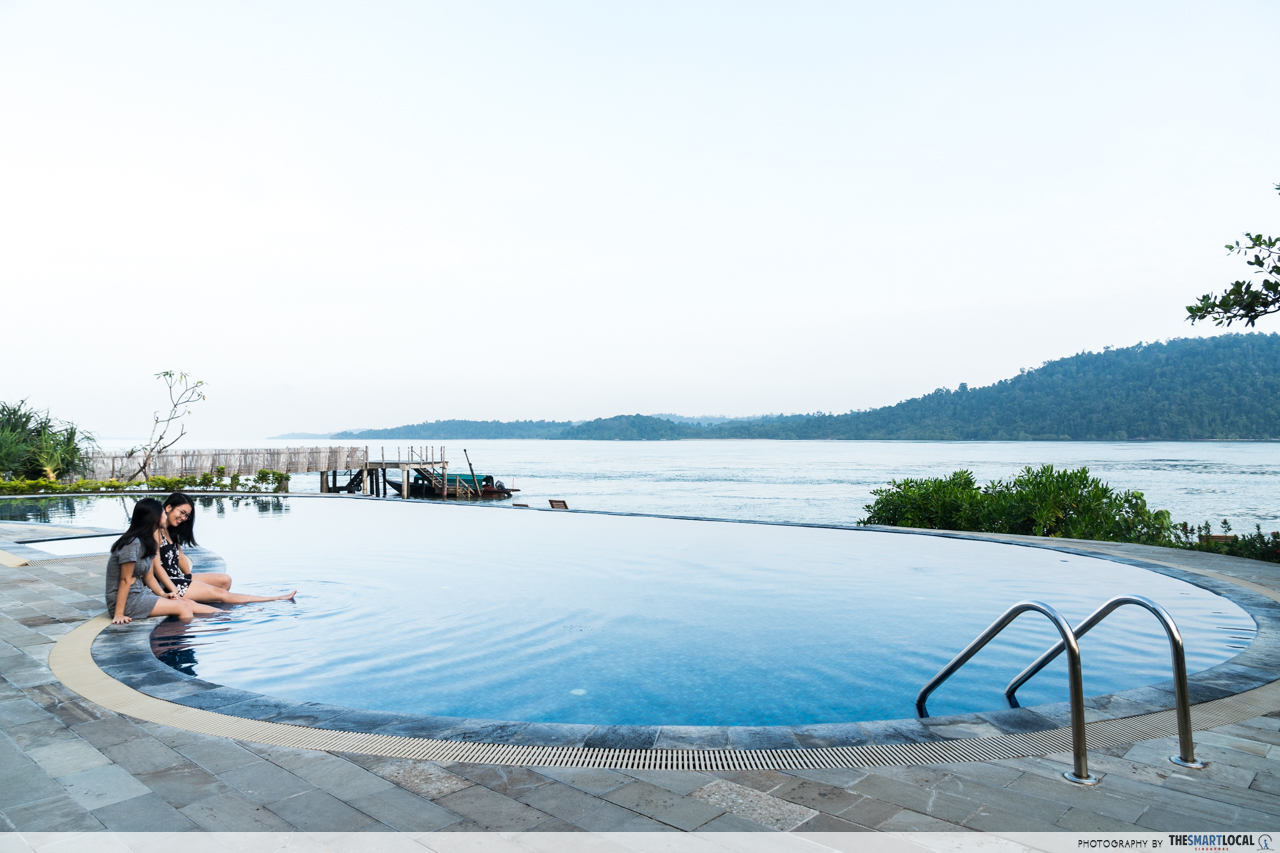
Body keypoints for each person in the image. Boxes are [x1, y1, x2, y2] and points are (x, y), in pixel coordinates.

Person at [151, 492, 296, 604]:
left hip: (177, 577)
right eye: (182, 512)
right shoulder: (156, 531)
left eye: (186, 516)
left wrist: (189, 578)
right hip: (167, 584)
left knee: (224, 580)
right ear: (168, 508)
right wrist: (174, 590)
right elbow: (156, 567)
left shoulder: (170, 531)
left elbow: (181, 557)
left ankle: (206, 599)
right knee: (221, 594)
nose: (183, 518)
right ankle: (274, 598)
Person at [106, 499, 221, 624]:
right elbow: (124, 580)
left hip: (141, 593)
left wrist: (162, 594)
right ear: (155, 517)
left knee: (187, 602)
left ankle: (226, 616)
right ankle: (184, 635)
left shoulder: (147, 542)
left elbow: (149, 577)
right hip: (127, 601)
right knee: (184, 607)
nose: (166, 516)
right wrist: (119, 614)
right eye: (163, 513)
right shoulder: (131, 543)